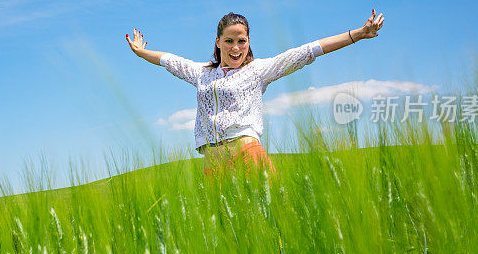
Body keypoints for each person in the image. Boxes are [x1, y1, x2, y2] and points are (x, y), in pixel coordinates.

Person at [125, 10, 385, 177]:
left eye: (242, 41)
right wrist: (140, 52)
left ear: (248, 41)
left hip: (247, 157)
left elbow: (307, 51)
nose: (236, 47)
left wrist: (357, 35)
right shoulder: (202, 73)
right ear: (218, 42)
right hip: (213, 167)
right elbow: (168, 60)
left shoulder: (258, 70)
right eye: (229, 41)